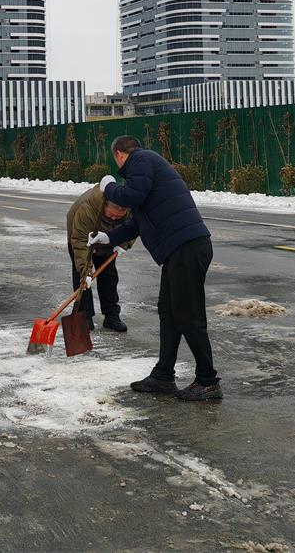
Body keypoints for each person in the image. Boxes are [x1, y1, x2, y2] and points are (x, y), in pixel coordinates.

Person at [92, 135, 221, 402]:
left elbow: (131, 196)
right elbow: (137, 223)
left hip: (187, 247)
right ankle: (163, 375)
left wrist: (109, 188)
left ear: (119, 154)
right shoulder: (146, 172)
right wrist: (108, 238)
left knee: (188, 315)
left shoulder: (141, 159)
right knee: (169, 313)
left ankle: (208, 381)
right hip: (179, 250)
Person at [66, 184, 132, 332]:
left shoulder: (130, 208)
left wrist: (124, 244)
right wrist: (86, 272)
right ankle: (84, 316)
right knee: (83, 279)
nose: (114, 218)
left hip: (109, 238)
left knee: (109, 276)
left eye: (118, 217)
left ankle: (111, 316)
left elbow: (135, 226)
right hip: (80, 237)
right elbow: (80, 241)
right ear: (105, 204)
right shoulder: (87, 210)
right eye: (112, 214)